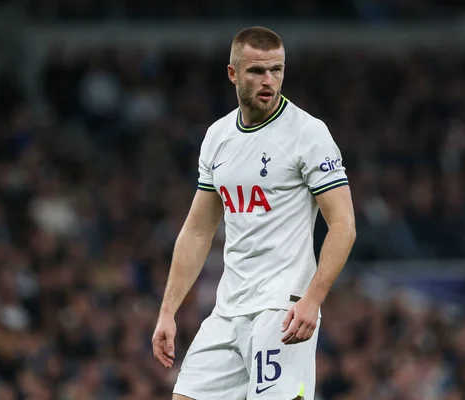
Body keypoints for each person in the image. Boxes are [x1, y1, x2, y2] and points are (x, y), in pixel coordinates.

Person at [152, 26, 356, 400]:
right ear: (233, 73)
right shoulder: (217, 137)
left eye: (276, 70)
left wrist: (312, 300)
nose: (268, 80)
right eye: (256, 71)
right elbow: (197, 230)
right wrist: (168, 311)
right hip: (228, 308)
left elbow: (343, 225)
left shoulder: (308, 134)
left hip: (282, 310)